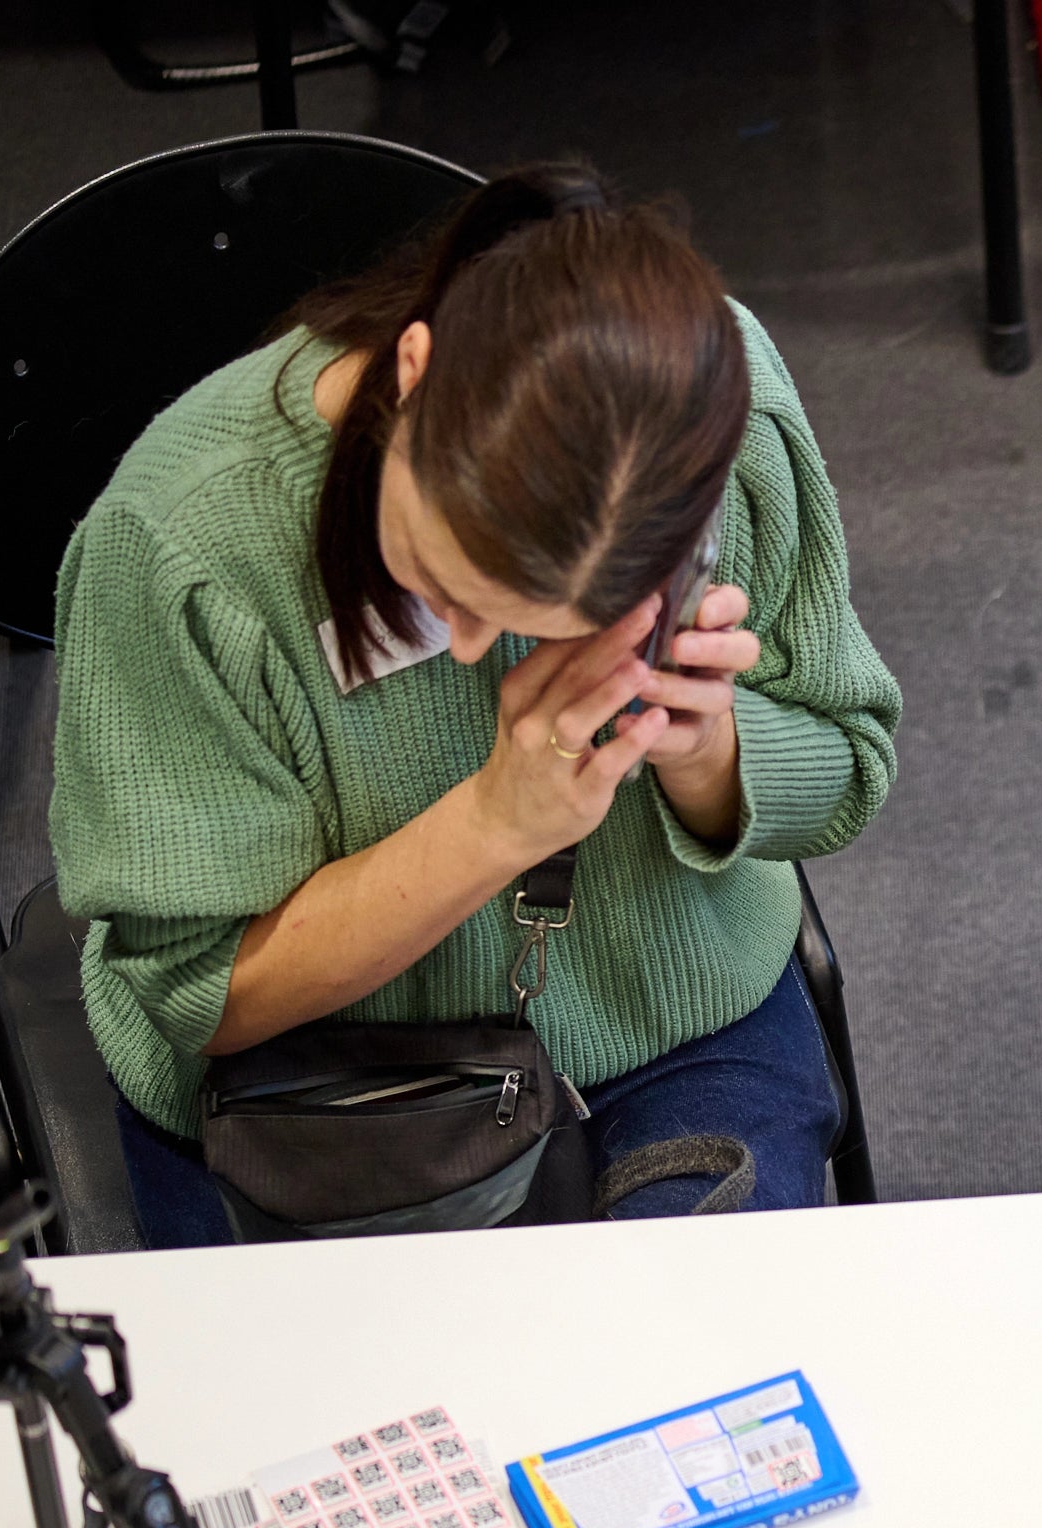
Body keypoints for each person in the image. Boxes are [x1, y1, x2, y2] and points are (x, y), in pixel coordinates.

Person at [50, 165, 901, 1246]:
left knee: (683, 1392)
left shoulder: (713, 418)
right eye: (437, 582)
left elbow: (848, 768)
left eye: (544, 621)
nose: (467, 648)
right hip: (322, 1091)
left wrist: (711, 754)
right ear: (414, 370)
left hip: (670, 1022)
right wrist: (494, 827)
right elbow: (201, 998)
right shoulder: (185, 550)